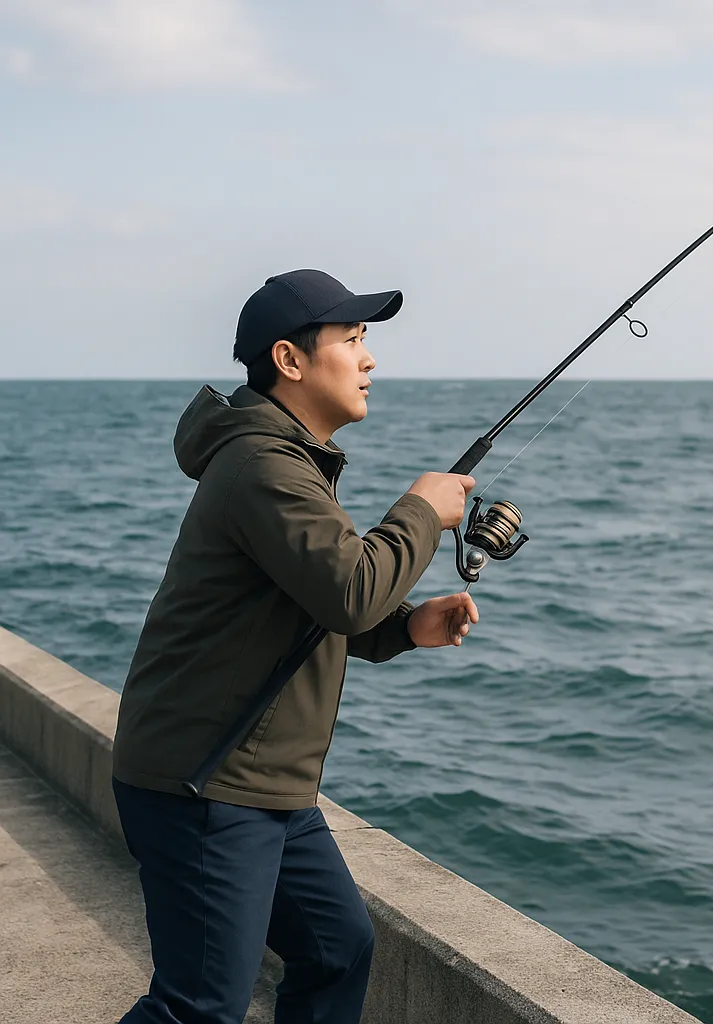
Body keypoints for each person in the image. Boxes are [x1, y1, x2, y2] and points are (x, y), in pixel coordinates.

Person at [111, 268, 478, 1024]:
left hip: (258, 781)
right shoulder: (264, 465)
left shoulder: (288, 461)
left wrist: (408, 626)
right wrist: (420, 508)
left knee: (335, 950)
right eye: (351, 339)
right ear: (290, 360)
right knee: (199, 1006)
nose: (369, 357)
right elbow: (348, 588)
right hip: (205, 783)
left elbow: (320, 602)